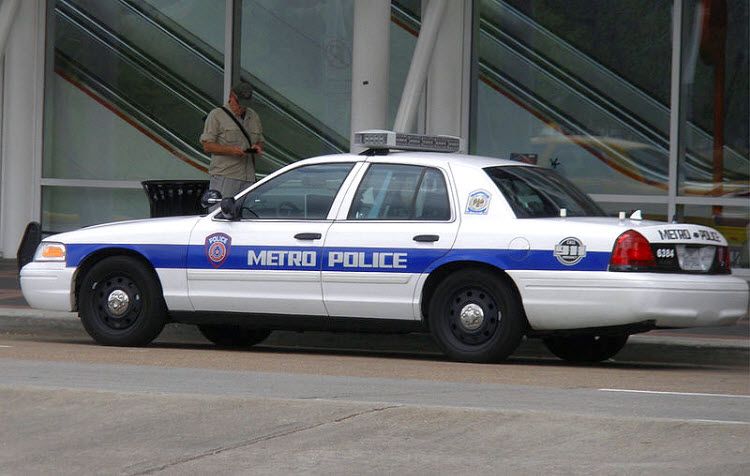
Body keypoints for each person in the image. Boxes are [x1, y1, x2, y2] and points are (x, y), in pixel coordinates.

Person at [200, 81, 265, 199]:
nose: (241, 107)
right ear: (231, 96)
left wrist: (258, 147)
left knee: (245, 214)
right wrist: (231, 150)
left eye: (245, 104)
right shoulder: (216, 115)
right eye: (239, 102)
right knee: (220, 212)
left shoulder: (253, 116)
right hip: (225, 175)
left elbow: (260, 140)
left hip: (248, 176)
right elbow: (207, 146)